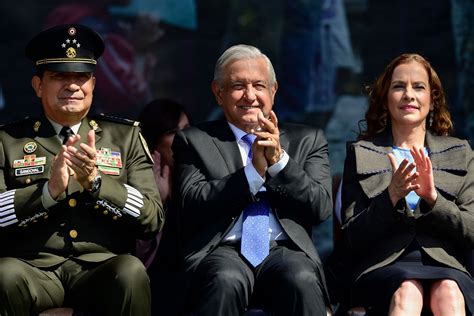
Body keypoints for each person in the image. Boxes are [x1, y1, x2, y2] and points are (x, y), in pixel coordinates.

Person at [0, 24, 163, 315]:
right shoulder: (8, 140)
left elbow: (152, 219)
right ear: (38, 85)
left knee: (131, 271)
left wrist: (98, 184)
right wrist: (47, 193)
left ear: (93, 84)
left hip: (102, 269)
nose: (72, 85)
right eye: (60, 76)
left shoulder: (124, 137)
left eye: (81, 77)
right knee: (4, 273)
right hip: (33, 271)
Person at [172, 44, 333, 315]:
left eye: (259, 85)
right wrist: (253, 174)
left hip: (284, 250)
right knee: (225, 280)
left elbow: (320, 207)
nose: (250, 96)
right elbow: (190, 204)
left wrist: (279, 163)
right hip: (224, 249)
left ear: (273, 90)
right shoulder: (194, 140)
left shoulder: (308, 139)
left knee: (302, 278)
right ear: (218, 92)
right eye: (238, 86)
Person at [341, 53, 473, 315]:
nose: (409, 95)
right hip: (382, 265)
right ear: (385, 98)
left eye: (419, 87)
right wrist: (391, 196)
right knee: (408, 291)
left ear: (432, 99)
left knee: (448, 291)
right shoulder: (361, 152)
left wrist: (434, 200)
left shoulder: (461, 151)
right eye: (399, 86)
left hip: (446, 264)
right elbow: (351, 237)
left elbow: (471, 229)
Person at [136, 98, 190, 314]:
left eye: (187, 129)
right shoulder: (137, 183)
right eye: (173, 131)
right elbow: (138, 257)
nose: (184, 138)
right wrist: (156, 202)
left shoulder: (203, 178)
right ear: (153, 142)